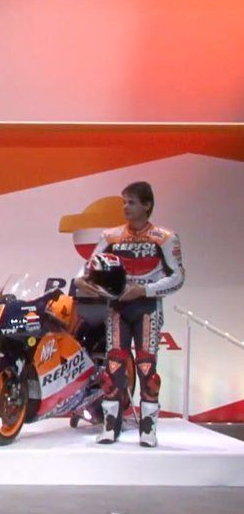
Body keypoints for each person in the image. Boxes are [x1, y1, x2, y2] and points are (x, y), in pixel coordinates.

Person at [75, 181, 184, 447]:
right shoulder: (110, 236)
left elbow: (178, 277)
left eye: (131, 202)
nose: (125, 207)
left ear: (147, 205)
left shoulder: (165, 237)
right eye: (124, 202)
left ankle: (148, 430)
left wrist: (144, 290)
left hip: (147, 309)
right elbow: (87, 269)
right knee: (113, 366)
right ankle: (110, 427)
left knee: (147, 367)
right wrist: (84, 282)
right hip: (117, 308)